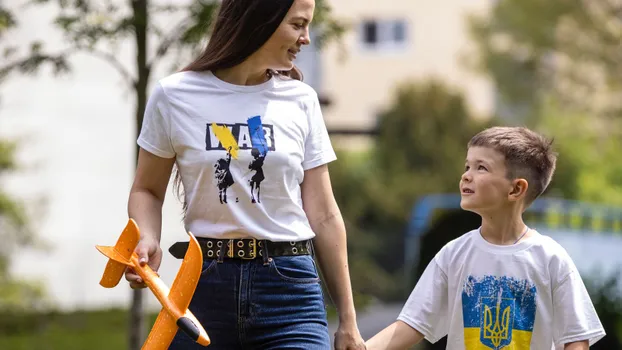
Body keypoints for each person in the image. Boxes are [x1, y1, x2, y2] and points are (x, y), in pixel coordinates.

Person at [123, 0, 366, 349]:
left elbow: (325, 215)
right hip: (203, 285)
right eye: (298, 24)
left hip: (290, 291)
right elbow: (147, 189)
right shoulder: (174, 95)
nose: (306, 39)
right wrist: (147, 237)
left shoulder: (301, 101)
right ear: (261, 19)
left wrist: (348, 319)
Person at [366, 126, 606, 350]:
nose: (466, 176)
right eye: (467, 166)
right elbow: (412, 325)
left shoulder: (550, 258)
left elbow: (576, 339)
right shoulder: (453, 254)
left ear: (515, 189)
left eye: (481, 167)